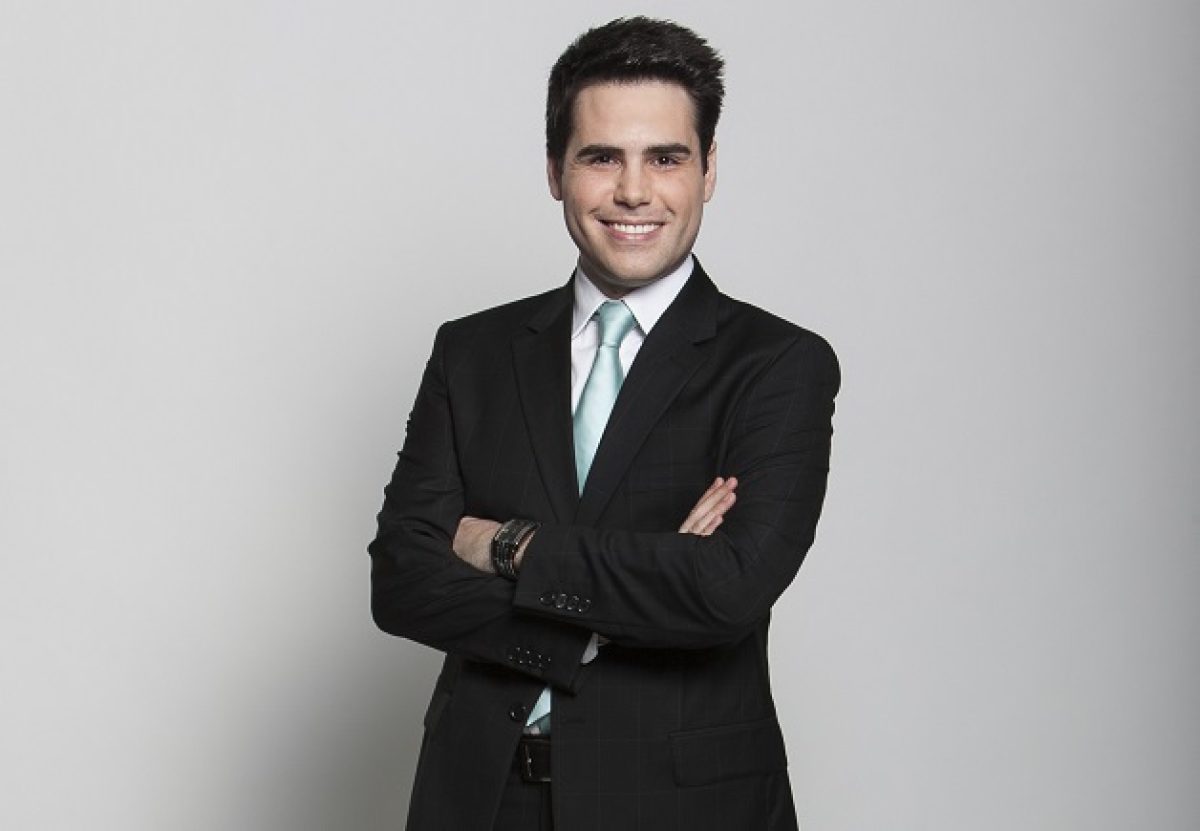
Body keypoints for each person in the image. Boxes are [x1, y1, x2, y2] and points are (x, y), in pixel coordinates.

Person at [369, 16, 839, 831]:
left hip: (682, 807)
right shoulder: (472, 352)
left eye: (666, 158)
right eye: (601, 157)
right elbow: (402, 580)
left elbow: (726, 586)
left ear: (709, 169)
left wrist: (506, 544)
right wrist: (629, 596)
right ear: (555, 170)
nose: (634, 192)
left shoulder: (778, 364)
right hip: (481, 800)